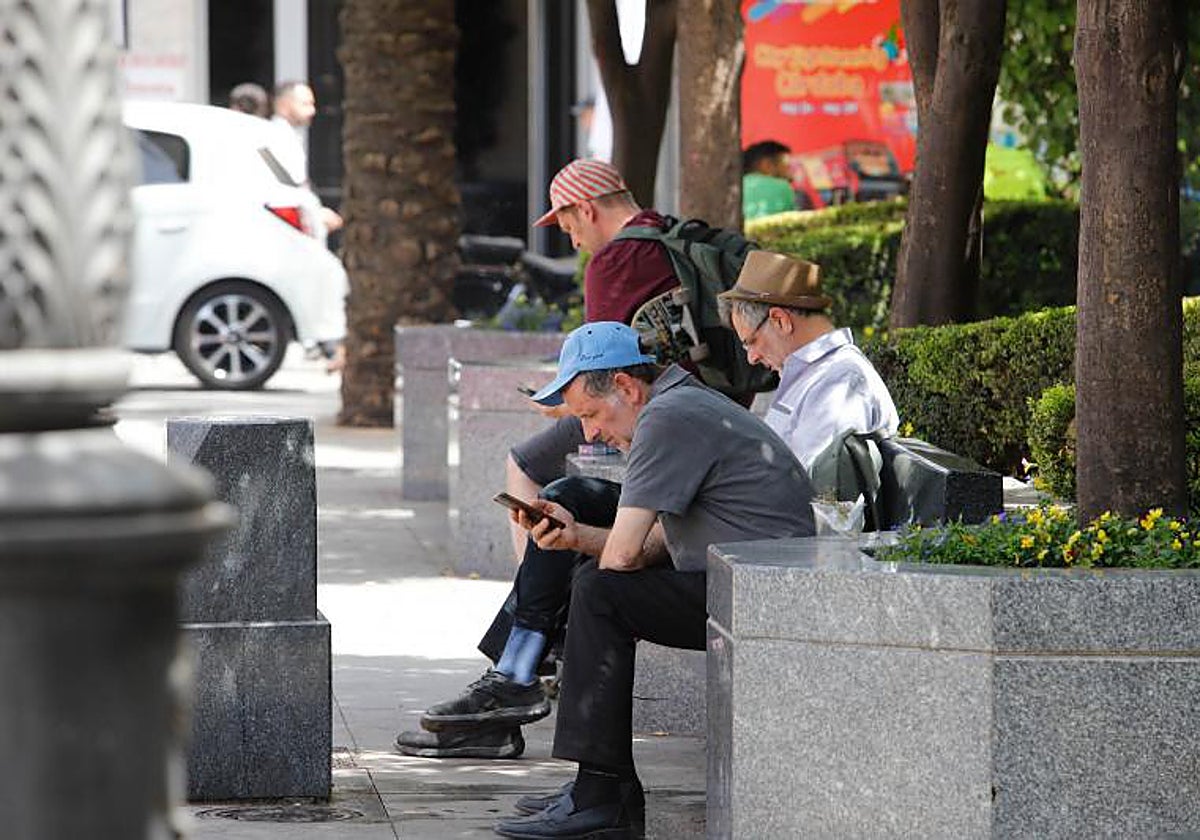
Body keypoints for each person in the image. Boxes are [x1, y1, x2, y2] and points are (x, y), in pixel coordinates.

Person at [393, 160, 682, 760]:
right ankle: (515, 674)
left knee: (531, 468)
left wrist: (586, 412)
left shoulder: (617, 258)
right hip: (653, 407)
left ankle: (523, 658)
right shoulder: (668, 237)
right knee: (557, 510)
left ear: (588, 209)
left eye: (569, 225)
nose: (571, 241)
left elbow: (599, 364)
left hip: (641, 412)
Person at [485, 322, 816, 838]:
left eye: (591, 416)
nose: (590, 433)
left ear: (625, 387)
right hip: (750, 582)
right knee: (596, 575)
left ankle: (602, 797)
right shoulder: (678, 402)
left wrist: (592, 547)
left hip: (763, 598)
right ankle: (592, 789)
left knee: (599, 592)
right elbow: (653, 543)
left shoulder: (665, 419)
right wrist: (573, 539)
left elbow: (621, 559)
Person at [717, 250, 900, 493]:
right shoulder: (812, 375)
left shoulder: (840, 381)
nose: (751, 358)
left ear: (780, 320)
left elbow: (813, 490)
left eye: (751, 342)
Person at [271, 80, 343, 233]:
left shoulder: (287, 136)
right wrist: (316, 215)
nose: (312, 111)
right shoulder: (278, 138)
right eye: (305, 104)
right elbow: (289, 190)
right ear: (283, 105)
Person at [742, 140, 798, 221]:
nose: (790, 174)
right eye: (786, 165)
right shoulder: (781, 186)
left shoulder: (730, 188)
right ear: (767, 165)